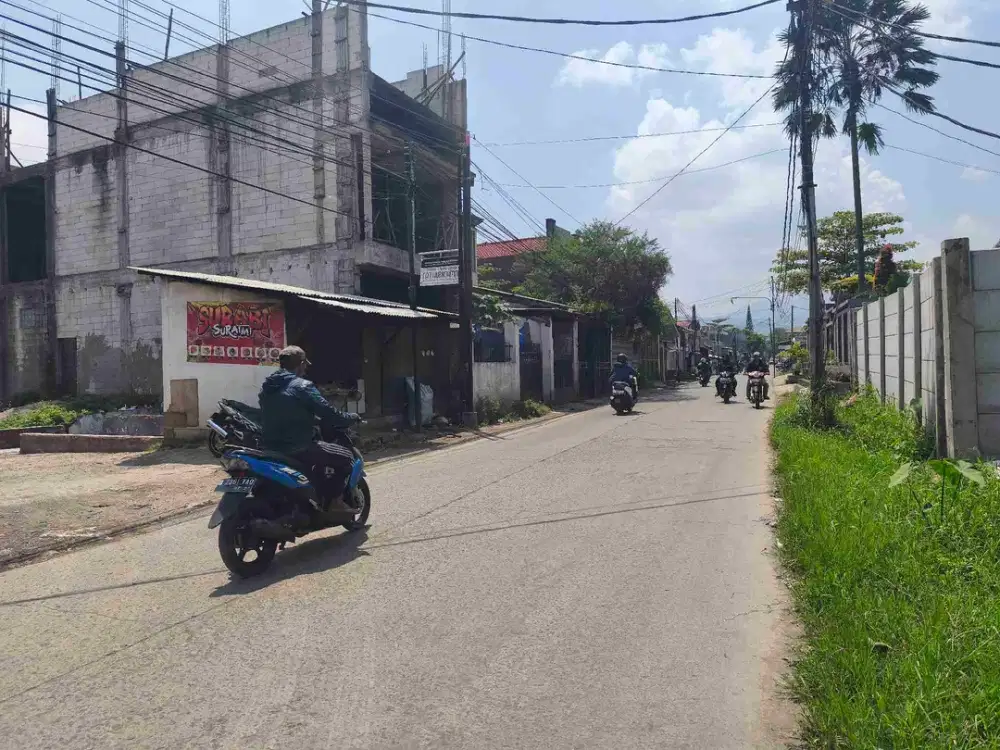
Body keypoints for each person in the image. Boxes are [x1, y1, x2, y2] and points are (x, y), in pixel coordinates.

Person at [259, 345, 360, 516]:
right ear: (300, 364)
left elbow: (285, 413)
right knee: (346, 457)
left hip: (270, 448)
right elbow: (329, 412)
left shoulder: (268, 387)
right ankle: (335, 502)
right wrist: (350, 417)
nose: (306, 368)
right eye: (305, 364)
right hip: (298, 447)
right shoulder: (303, 386)